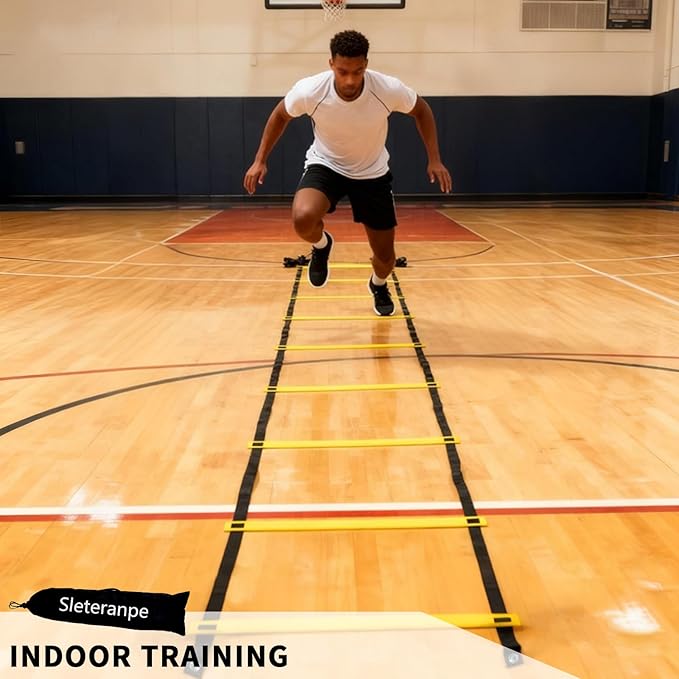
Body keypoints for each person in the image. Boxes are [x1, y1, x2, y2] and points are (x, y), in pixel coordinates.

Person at [243, 30, 452, 316]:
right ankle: (321, 245)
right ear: (331, 64)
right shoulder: (311, 91)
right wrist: (260, 160)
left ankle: (378, 284)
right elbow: (280, 115)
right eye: (343, 71)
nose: (351, 80)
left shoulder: (387, 89)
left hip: (372, 173)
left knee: (386, 259)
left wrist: (434, 159)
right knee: (302, 218)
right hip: (326, 164)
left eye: (358, 71)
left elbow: (422, 111)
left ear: (366, 64)